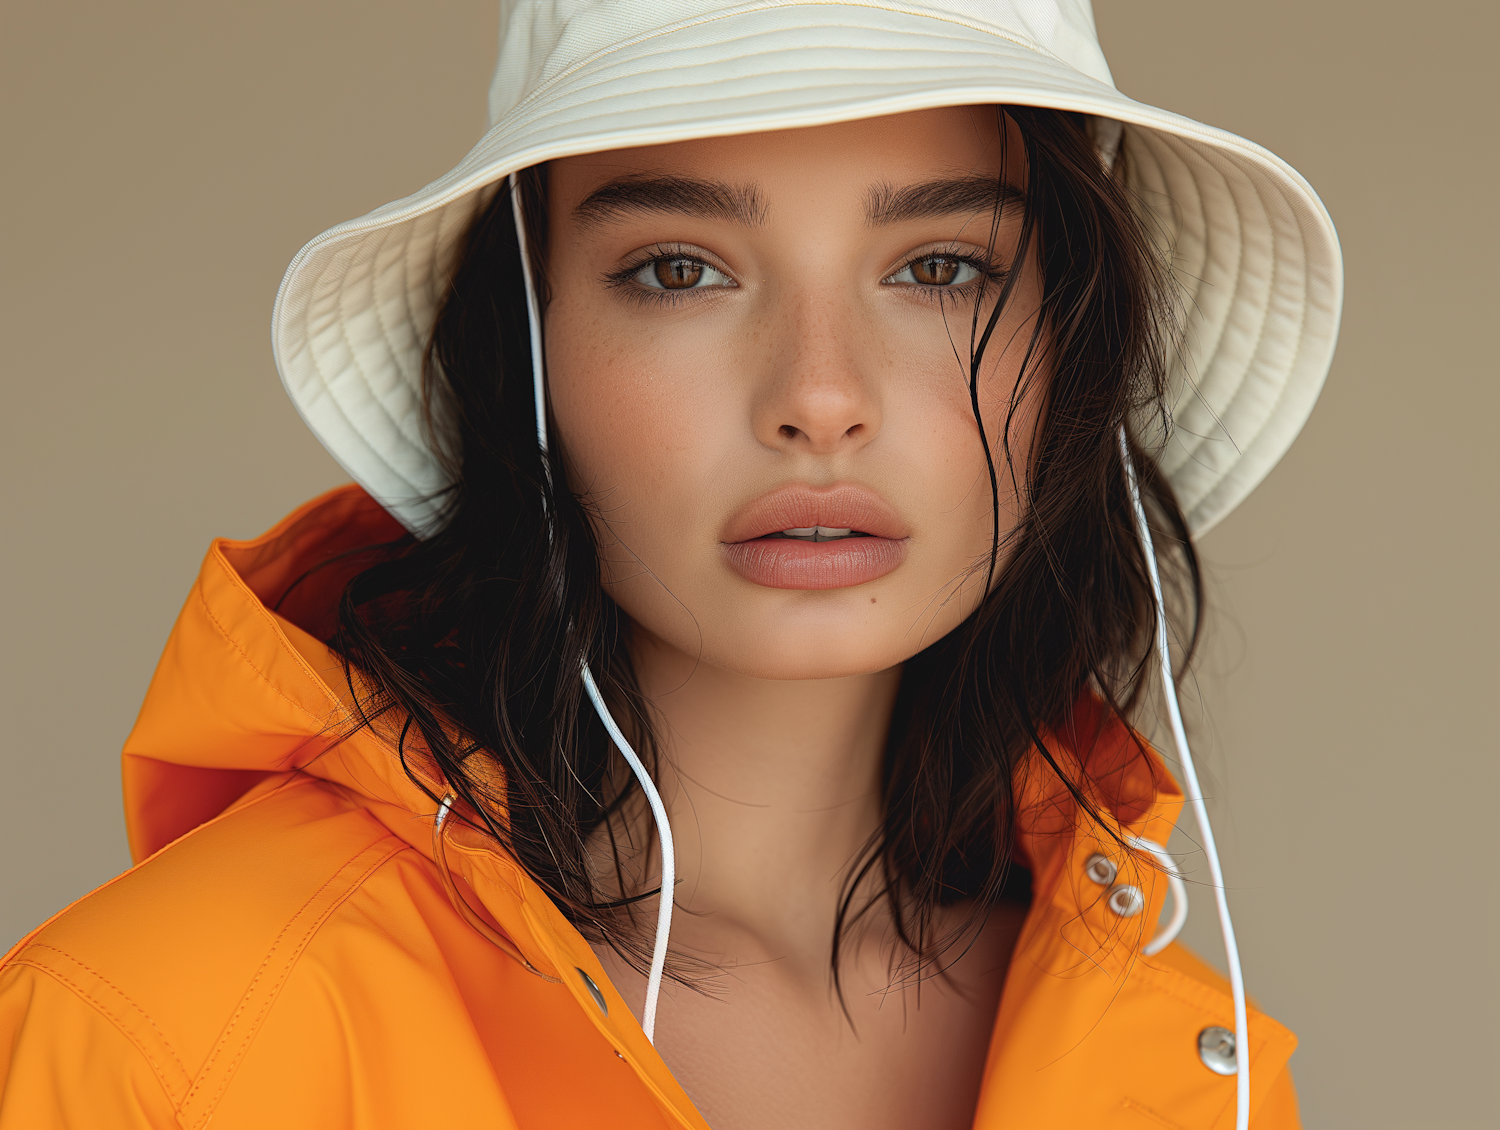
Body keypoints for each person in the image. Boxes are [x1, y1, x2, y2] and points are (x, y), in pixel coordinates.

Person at [0, 2, 1341, 1127]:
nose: (820, 397)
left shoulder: (1194, 1078)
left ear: (1074, 351)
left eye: (938, 266)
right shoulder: (165, 1038)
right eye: (680, 268)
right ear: (527, 349)